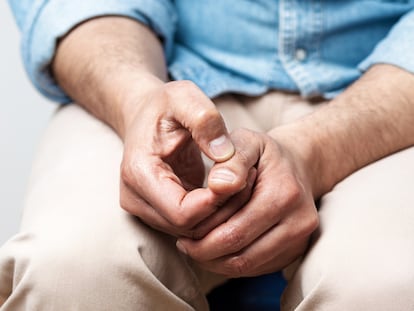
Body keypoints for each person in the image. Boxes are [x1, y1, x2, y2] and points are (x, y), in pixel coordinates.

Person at [1, 1, 414, 310]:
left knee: (382, 284)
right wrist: (138, 99)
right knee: (73, 268)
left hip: (388, 94)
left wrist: (317, 151)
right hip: (166, 77)